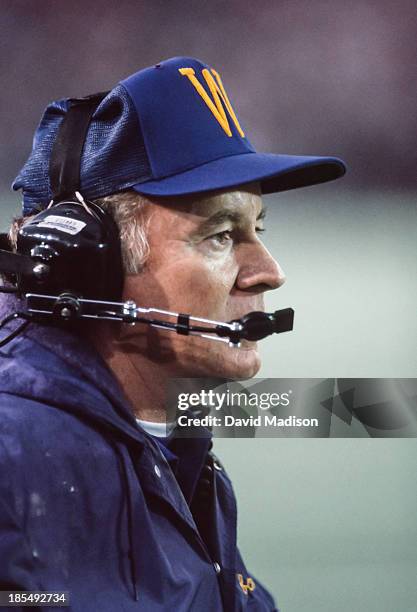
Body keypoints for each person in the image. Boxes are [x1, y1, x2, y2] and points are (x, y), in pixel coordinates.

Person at [0, 57, 345, 611]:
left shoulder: (174, 446)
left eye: (257, 228)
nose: (269, 272)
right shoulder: (14, 459)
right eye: (220, 235)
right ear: (88, 267)